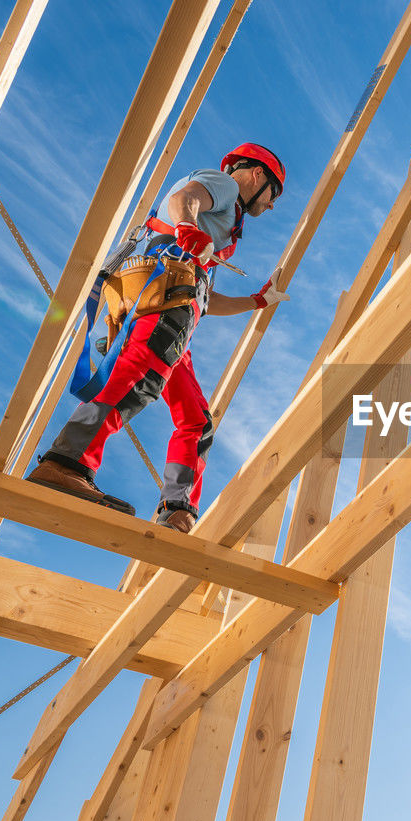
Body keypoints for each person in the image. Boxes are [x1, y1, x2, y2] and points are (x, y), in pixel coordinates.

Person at [26, 143, 290, 533]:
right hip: (164, 296)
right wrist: (186, 225)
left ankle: (176, 509)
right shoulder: (225, 186)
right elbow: (184, 199)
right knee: (141, 374)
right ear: (256, 175)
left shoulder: (216, 230)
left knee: (197, 421)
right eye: (273, 194)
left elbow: (206, 297)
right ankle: (66, 462)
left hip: (177, 303)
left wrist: (254, 302)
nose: (271, 205)